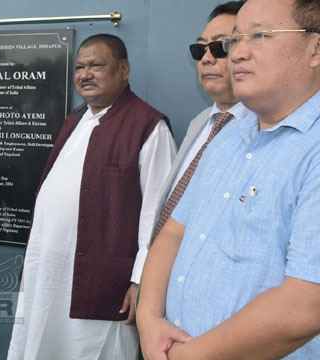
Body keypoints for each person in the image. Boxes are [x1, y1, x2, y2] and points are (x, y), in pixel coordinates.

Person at [137, 0, 320, 358]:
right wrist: (149, 318)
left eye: (260, 36)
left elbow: (305, 304)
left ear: (315, 50)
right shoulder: (228, 135)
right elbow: (175, 231)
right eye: (236, 40)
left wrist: (189, 355)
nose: (236, 54)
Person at [7, 34, 176, 360]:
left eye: (96, 66)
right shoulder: (75, 120)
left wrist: (141, 281)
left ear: (124, 69)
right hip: (50, 276)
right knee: (42, 343)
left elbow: (159, 216)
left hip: (102, 282)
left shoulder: (148, 127)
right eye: (80, 67)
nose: (85, 74)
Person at [152, 1, 248, 239]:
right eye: (200, 49)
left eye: (220, 47)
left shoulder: (265, 129)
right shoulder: (201, 122)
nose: (206, 58)